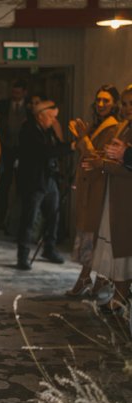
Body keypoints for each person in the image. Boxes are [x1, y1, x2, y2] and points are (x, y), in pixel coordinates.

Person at [81, 84, 132, 314]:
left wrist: (103, 163)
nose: (128, 108)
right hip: (116, 191)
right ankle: (118, 294)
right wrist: (102, 160)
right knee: (117, 246)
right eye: (125, 103)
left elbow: (125, 165)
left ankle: (121, 295)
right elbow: (115, 156)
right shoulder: (123, 126)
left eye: (131, 103)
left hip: (126, 192)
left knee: (123, 246)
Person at [66, 85, 119, 297]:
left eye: (106, 100)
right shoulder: (100, 125)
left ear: (114, 103)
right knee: (90, 233)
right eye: (98, 99)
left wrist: (82, 138)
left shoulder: (113, 127)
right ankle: (91, 278)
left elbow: (96, 157)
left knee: (95, 233)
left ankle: (93, 278)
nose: (100, 104)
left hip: (101, 185)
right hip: (91, 184)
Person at [16, 100, 71, 270]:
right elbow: (44, 152)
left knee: (54, 215)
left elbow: (58, 148)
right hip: (34, 181)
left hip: (50, 179)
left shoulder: (49, 131)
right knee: (29, 218)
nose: (54, 121)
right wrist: (73, 146)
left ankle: (49, 248)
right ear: (41, 116)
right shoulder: (29, 130)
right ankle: (23, 255)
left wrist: (65, 140)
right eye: (52, 117)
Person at [0, 79, 30, 230]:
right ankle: (0, 219)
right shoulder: (3, 105)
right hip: (5, 151)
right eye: (13, 92)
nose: (15, 95)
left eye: (18, 92)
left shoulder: (29, 107)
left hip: (23, 153)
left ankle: (18, 223)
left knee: (23, 188)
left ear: (24, 92)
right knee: (3, 186)